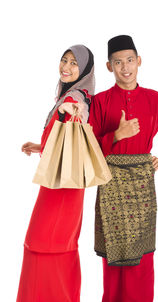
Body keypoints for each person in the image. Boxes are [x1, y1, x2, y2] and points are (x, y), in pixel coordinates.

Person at [88, 35, 158, 302]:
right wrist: (117, 135)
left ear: (139, 61)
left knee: (141, 260)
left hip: (142, 183)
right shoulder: (100, 102)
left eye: (130, 60)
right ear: (110, 67)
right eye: (117, 62)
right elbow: (89, 148)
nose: (125, 67)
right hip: (110, 183)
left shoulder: (155, 99)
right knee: (112, 258)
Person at [16, 44, 95, 302]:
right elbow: (65, 144)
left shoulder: (75, 99)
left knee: (42, 244)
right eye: (64, 60)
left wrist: (67, 112)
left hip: (62, 187)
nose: (66, 67)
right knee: (54, 246)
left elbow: (76, 116)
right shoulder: (68, 95)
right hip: (60, 182)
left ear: (84, 70)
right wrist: (41, 145)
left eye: (74, 63)